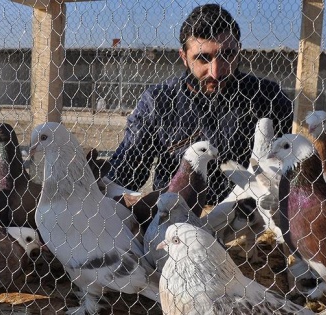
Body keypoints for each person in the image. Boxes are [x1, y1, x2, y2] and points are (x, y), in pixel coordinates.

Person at [105, 3, 293, 209]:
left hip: (250, 221)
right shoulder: (159, 101)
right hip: (176, 222)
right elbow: (123, 176)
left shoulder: (268, 98)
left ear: (239, 51)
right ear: (184, 57)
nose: (216, 72)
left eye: (227, 55)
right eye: (203, 58)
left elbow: (291, 172)